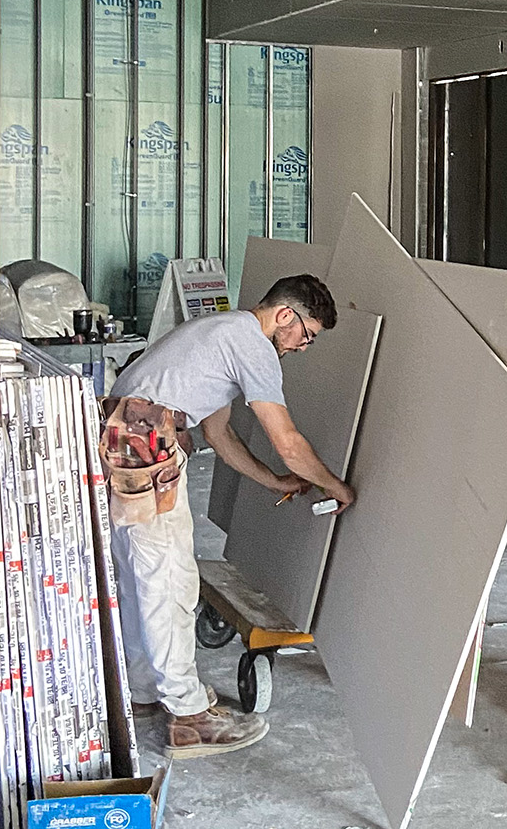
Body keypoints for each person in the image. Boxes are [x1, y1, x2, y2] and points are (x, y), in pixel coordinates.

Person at [100, 274, 356, 758]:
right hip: (144, 444)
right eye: (307, 335)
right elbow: (288, 441)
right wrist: (337, 486)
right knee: (168, 581)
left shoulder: (224, 333)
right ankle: (188, 719)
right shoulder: (253, 347)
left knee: (145, 578)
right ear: (286, 316)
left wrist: (276, 481)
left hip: (130, 437)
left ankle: (146, 692)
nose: (303, 347)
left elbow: (220, 435)